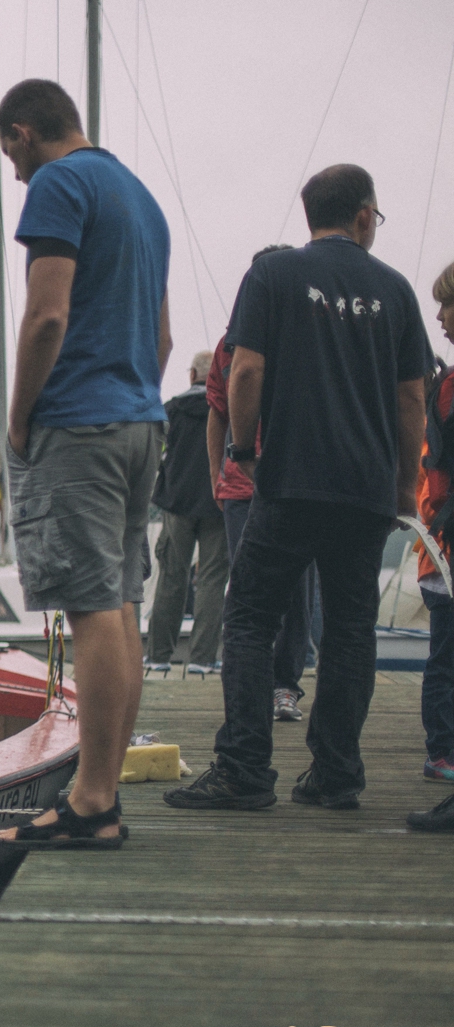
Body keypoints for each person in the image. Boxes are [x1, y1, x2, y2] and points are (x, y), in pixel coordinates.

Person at [166, 164, 433, 812]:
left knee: (252, 616)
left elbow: (247, 369)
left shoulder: (273, 276)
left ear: (311, 213)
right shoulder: (394, 290)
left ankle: (245, 767)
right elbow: (410, 399)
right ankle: (337, 772)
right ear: (365, 215)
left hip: (289, 480)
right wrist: (403, 485)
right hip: (365, 488)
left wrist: (241, 449)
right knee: (350, 627)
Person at [0, 79, 171, 849]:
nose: (17, 176)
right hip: (138, 420)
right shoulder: (139, 195)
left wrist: (22, 417)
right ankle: (103, 786)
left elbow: (47, 313)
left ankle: (92, 802)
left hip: (77, 423)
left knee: (91, 605)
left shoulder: (60, 183)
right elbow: (161, 339)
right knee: (119, 601)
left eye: (11, 157)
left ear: (24, 133)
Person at [206, 244, 320, 723]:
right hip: (239, 489)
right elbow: (216, 413)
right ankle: (249, 688)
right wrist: (217, 472)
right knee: (247, 590)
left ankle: (285, 685)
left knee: (297, 591)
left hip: (296, 484)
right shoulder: (228, 347)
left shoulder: (309, 334)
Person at [145, 349, 228, 675]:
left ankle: (158, 656)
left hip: (177, 504)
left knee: (171, 577)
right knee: (212, 580)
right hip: (218, 503)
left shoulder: (172, 410)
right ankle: (203, 659)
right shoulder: (226, 409)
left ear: (193, 374)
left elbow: (156, 455)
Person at [411, 260, 454, 809]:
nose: (440, 317)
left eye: (448, 304)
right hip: (443, 551)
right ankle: (442, 749)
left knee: (445, 657)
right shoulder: (444, 388)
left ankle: (443, 749)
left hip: (444, 549)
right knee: (445, 654)